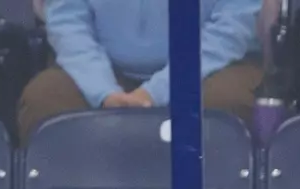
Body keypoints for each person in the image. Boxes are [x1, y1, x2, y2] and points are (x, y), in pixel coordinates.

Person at [19, 0, 262, 141]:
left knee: (227, 105)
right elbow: (68, 22)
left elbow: (230, 31)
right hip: (103, 68)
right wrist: (103, 92)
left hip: (212, 69)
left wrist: (155, 93)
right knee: (44, 100)